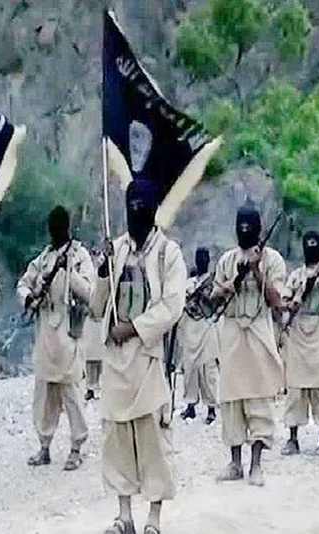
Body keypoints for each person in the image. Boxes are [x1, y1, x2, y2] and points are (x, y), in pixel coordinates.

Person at [90, 180, 185, 534]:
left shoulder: (167, 254)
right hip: (116, 361)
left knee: (152, 441)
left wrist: (133, 328)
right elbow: (97, 306)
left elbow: (172, 306)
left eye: (141, 205)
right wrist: (103, 272)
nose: (136, 212)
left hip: (147, 357)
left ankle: (154, 519)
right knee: (117, 439)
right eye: (131, 205)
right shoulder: (116, 250)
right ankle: (124, 516)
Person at [210, 201, 285, 487]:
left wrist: (256, 271)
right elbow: (213, 298)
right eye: (240, 225)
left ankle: (256, 465)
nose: (244, 230)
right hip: (231, 334)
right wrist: (227, 285)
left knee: (258, 399)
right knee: (231, 400)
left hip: (258, 333)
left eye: (249, 226)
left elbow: (276, 301)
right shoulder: (227, 260)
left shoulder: (273, 260)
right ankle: (235, 463)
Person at [17, 206, 93, 471]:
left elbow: (89, 292)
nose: (55, 230)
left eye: (59, 225)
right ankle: (44, 446)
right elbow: (24, 284)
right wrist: (29, 297)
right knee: (44, 394)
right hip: (46, 333)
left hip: (69, 333)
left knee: (71, 393)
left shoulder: (79, 256)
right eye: (53, 226)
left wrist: (68, 271)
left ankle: (76, 447)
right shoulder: (44, 257)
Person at [278, 231, 319, 456]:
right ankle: (292, 438)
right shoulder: (296, 275)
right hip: (298, 330)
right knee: (295, 388)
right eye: (308, 244)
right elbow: (284, 302)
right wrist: (293, 302)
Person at [178, 248, 219, 424]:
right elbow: (181, 303)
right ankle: (190, 406)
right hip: (190, 329)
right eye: (199, 258)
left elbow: (216, 304)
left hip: (206, 328)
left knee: (208, 369)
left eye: (204, 258)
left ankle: (211, 408)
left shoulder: (214, 283)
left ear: (208, 260)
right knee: (190, 369)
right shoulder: (188, 283)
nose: (201, 260)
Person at [84, 248, 105, 401]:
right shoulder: (88, 275)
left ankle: (102, 386)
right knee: (90, 356)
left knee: (102, 355)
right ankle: (90, 387)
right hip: (90, 319)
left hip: (102, 319)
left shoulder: (104, 274)